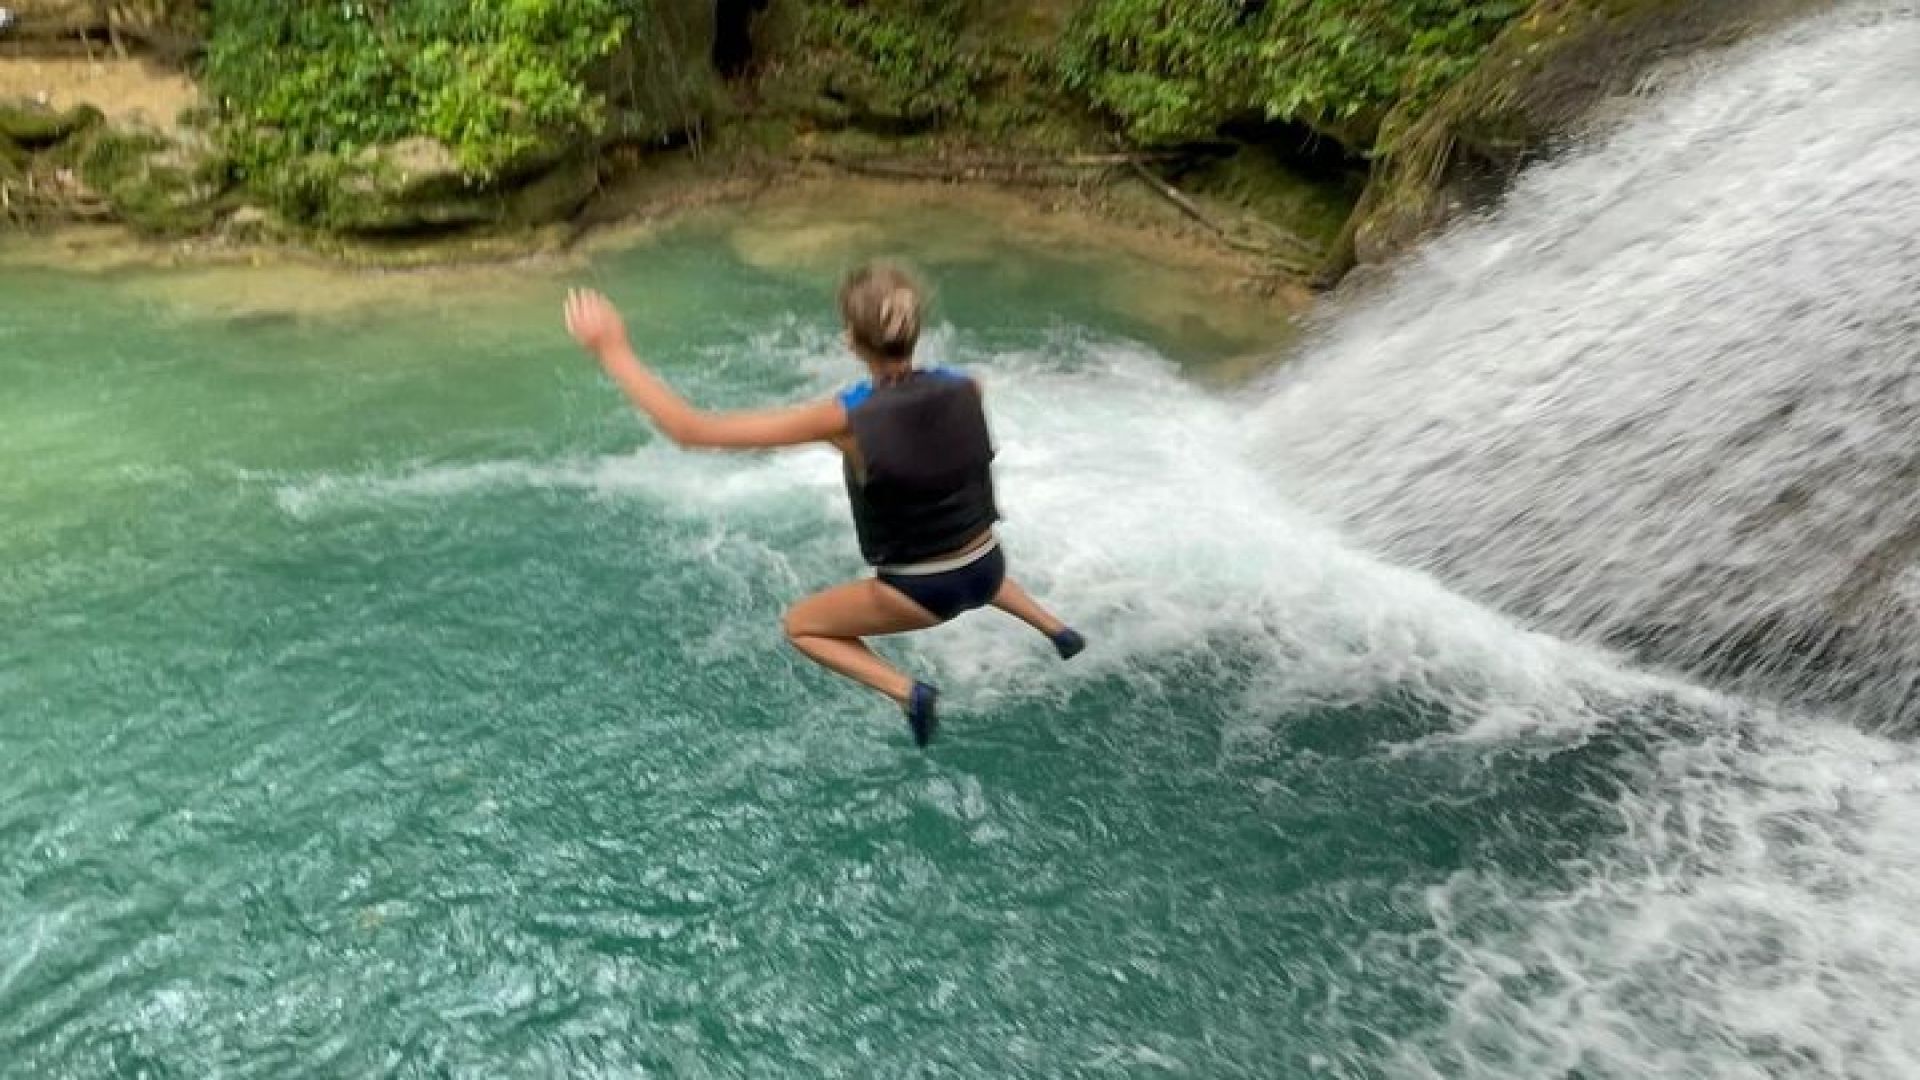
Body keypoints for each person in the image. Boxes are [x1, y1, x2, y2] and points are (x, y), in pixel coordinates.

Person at [564, 263, 1085, 747]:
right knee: (956, 534)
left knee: (802, 626)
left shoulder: (845, 419)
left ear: (850, 341)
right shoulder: (968, 386)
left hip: (921, 591)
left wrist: (613, 349)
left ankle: (908, 692)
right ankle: (1054, 628)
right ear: (914, 330)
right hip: (988, 562)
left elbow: (691, 431)